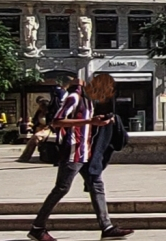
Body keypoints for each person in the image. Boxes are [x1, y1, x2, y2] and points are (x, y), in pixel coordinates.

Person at [29, 74, 132, 241]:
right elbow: (57, 121)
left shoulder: (88, 101)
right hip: (73, 150)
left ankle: (107, 227)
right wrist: (90, 121)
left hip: (86, 151)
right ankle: (37, 228)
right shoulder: (74, 98)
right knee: (62, 188)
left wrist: (100, 122)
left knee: (96, 184)